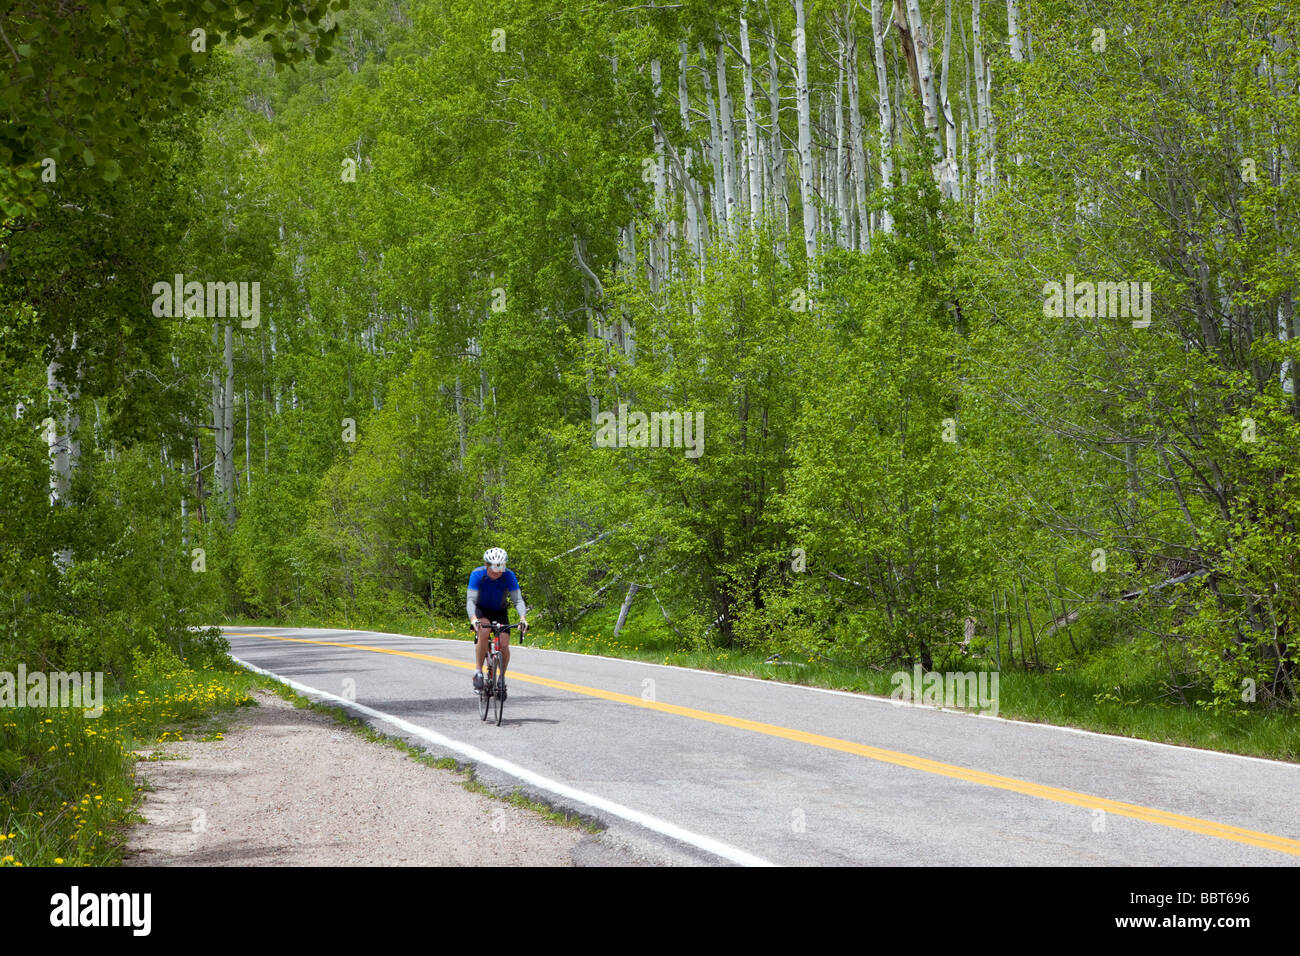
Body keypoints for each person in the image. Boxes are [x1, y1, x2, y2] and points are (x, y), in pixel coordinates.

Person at [467, 547, 527, 695]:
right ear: (486, 565)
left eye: (500, 567)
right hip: (481, 609)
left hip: (499, 611)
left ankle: (501, 678)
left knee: (504, 643)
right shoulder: (477, 574)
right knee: (484, 630)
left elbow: (518, 600)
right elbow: (471, 600)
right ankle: (478, 672)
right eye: (493, 567)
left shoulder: (509, 575)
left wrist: (523, 618)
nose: (497, 571)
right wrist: (473, 619)